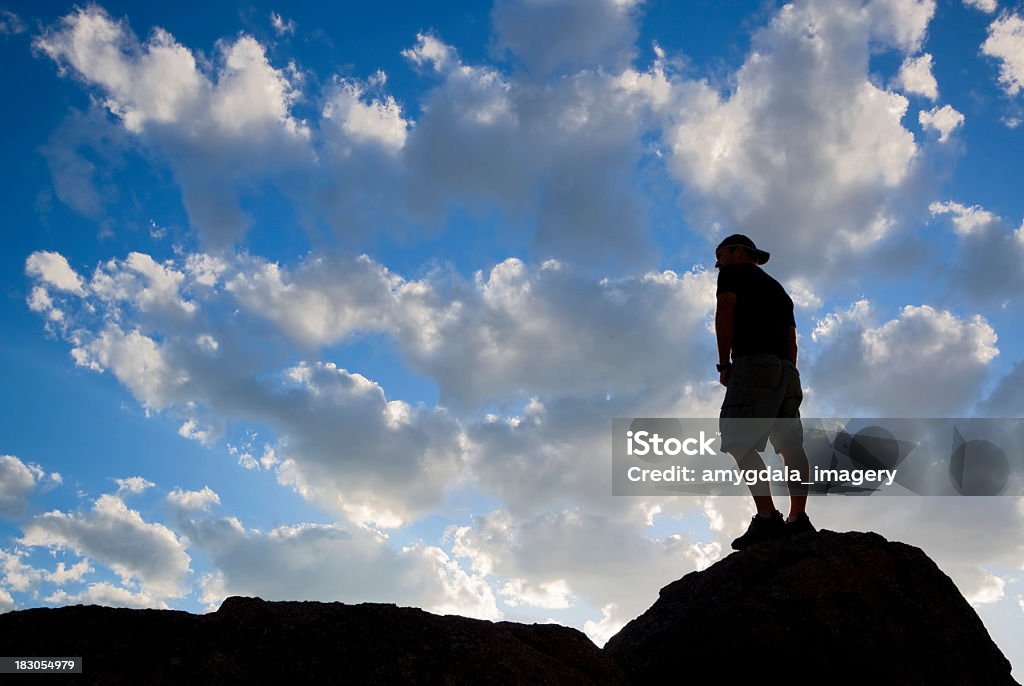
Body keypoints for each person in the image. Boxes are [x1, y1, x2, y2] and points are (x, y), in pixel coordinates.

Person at [714, 234, 816, 550]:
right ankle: (798, 518)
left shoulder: (732, 274)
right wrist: (788, 372)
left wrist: (724, 365)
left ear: (738, 251)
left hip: (753, 363)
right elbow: (792, 340)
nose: (717, 263)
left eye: (721, 255)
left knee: (737, 439)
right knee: (790, 445)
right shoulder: (779, 291)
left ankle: (767, 517)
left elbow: (725, 312)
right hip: (786, 370)